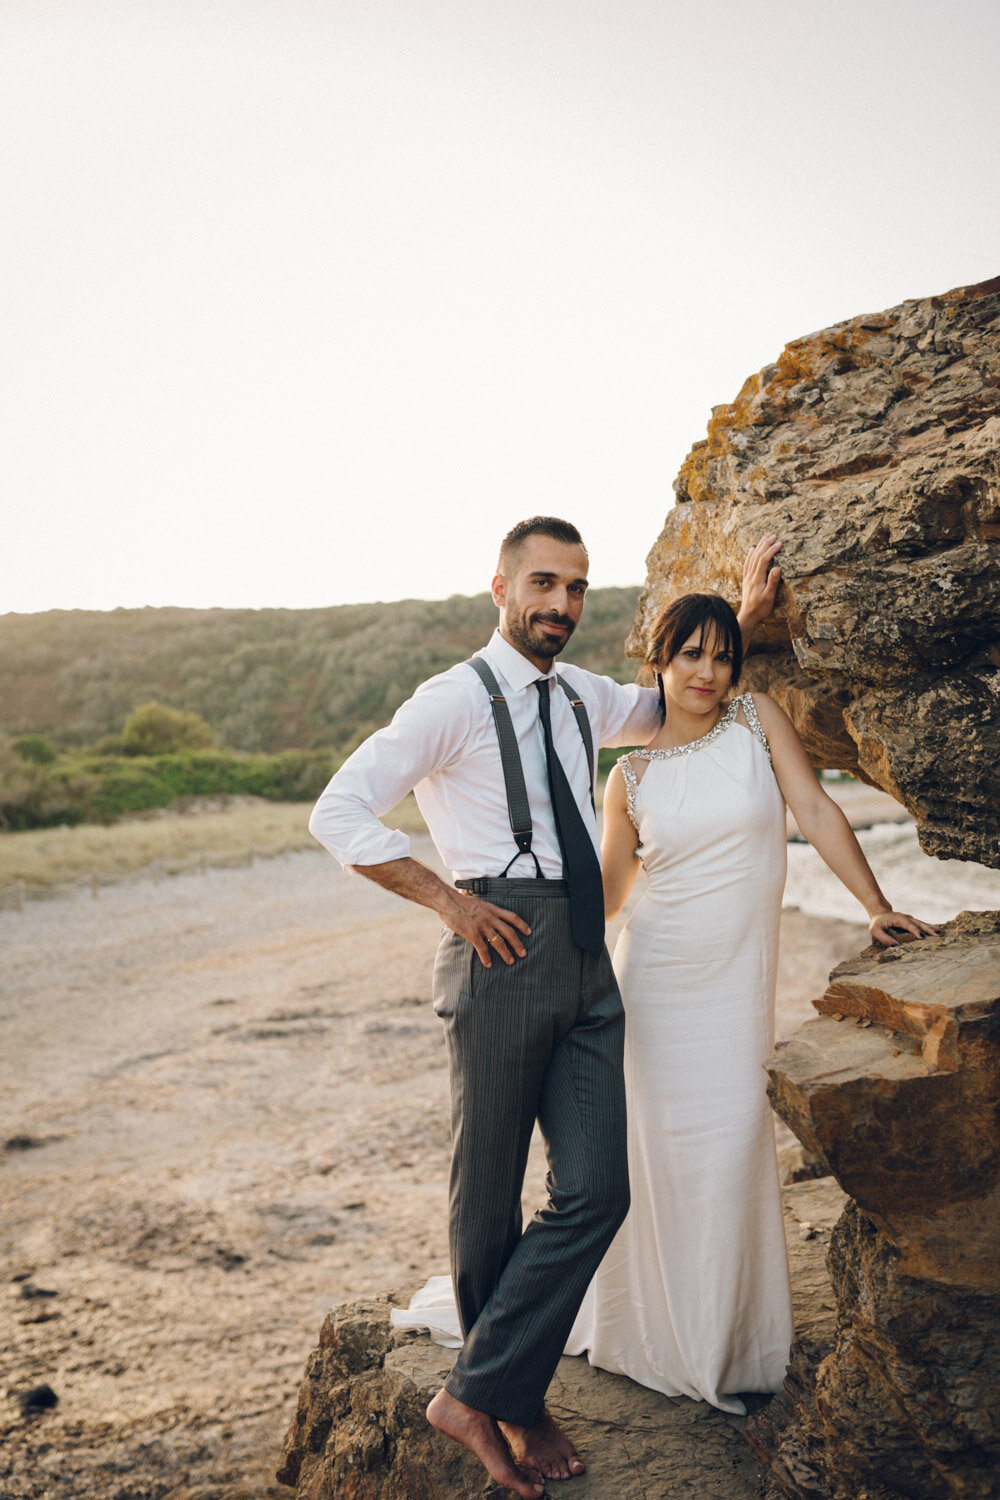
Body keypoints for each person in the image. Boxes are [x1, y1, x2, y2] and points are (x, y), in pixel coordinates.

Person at [308, 522, 781, 1495]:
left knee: (596, 1189)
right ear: (500, 587)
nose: (559, 603)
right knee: (487, 1194)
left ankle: (477, 1386)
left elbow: (685, 692)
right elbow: (338, 812)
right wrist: (448, 898)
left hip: (584, 956)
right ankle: (514, 1401)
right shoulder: (450, 701)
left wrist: (741, 613)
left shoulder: (586, 699)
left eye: (573, 587)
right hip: (502, 942)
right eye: (542, 583)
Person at [564, 591, 938, 1411]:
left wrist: (875, 905)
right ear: (658, 660)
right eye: (690, 655)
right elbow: (612, 898)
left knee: (731, 1147)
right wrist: (544, 950)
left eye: (723, 655)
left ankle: (728, 1341)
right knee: (662, 1160)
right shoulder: (629, 777)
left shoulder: (755, 720)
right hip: (655, 986)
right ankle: (662, 1334)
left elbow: (814, 809)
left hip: (733, 990)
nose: (707, 672)